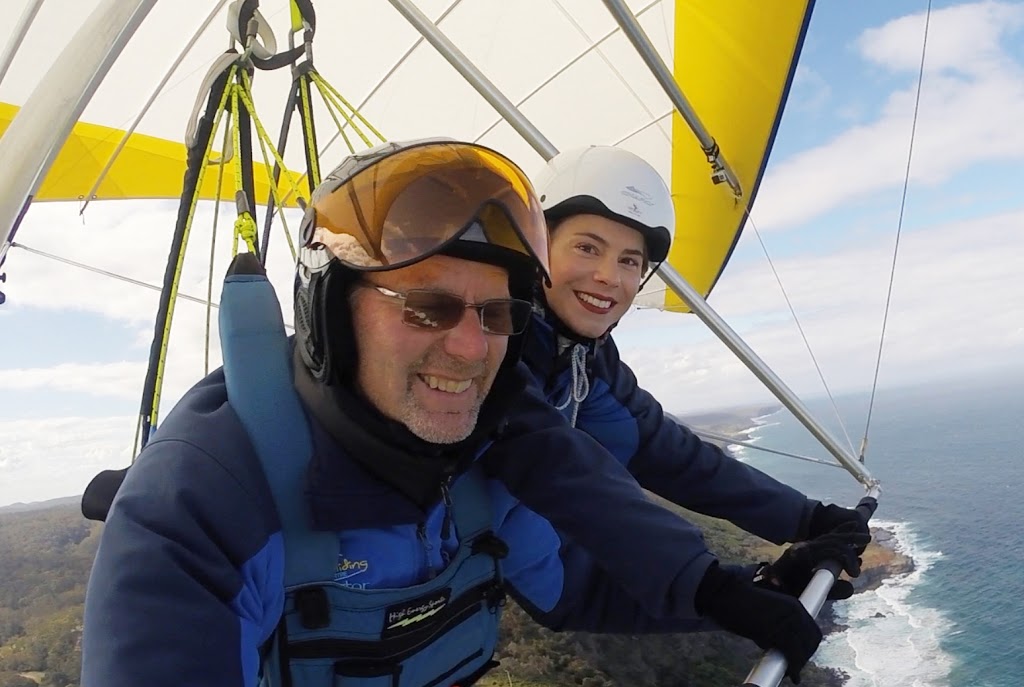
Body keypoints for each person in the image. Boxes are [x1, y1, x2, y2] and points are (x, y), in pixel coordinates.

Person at [80, 139, 865, 687]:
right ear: (331, 315)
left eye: (496, 315)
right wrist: (710, 584)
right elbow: (554, 456)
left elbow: (590, 561)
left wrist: (764, 564)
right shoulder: (201, 510)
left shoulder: (509, 436)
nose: (468, 346)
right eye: (425, 306)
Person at [515, 143, 870, 552]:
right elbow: (581, 491)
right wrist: (712, 587)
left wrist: (806, 518)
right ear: (538, 245)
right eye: (587, 248)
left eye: (630, 261)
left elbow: (667, 453)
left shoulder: (584, 358)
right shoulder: (491, 349)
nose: (608, 276)